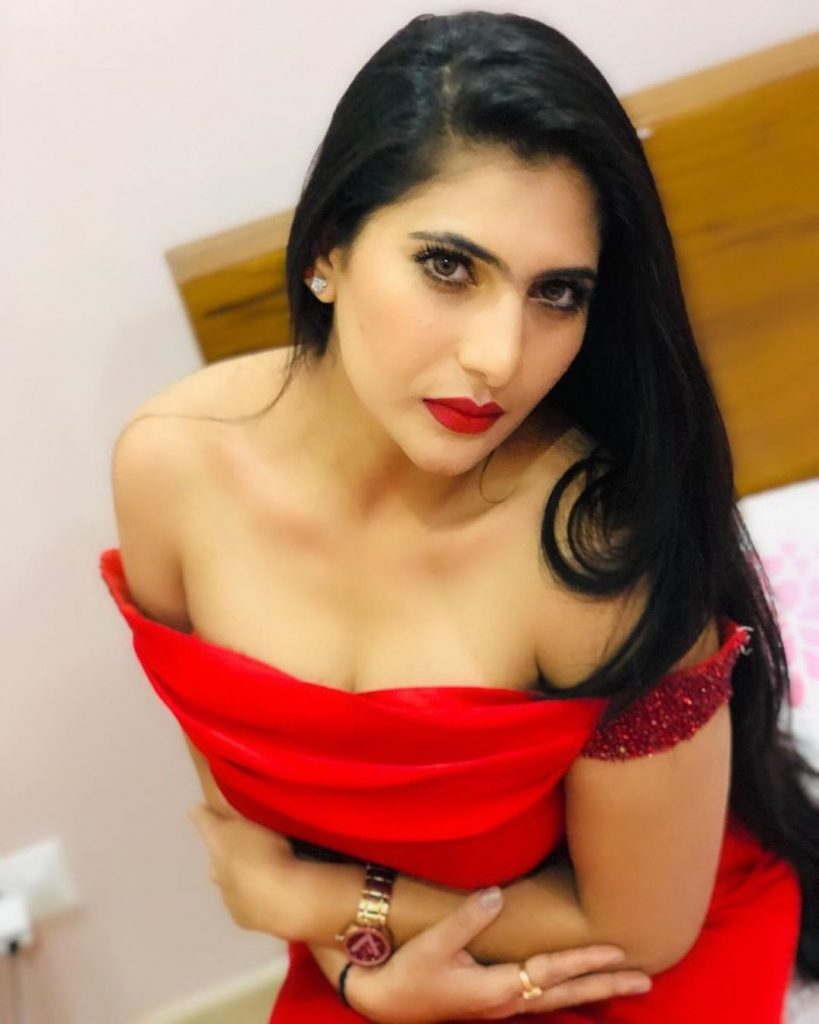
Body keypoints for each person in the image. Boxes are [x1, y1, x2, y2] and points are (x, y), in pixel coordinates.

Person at [99, 11, 819, 1023]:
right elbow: (245, 816)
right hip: (376, 957)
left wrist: (327, 905)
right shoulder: (171, 469)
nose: (499, 356)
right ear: (326, 250)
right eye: (449, 267)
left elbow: (642, 928)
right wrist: (359, 970)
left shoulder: (596, 551)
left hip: (602, 962)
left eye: (556, 293)